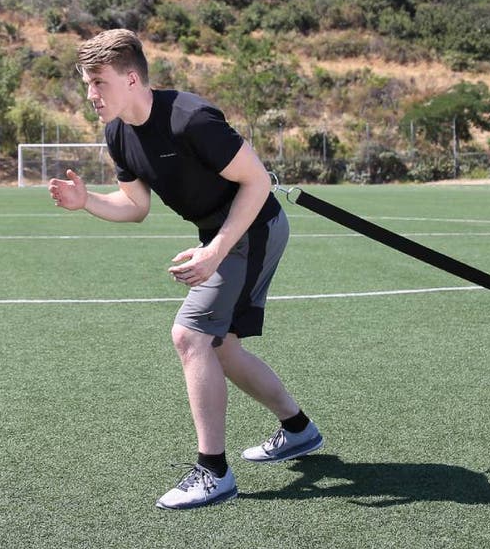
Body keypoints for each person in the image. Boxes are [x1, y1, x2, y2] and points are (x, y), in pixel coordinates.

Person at [48, 29, 323, 509]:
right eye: (87, 84)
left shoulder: (190, 118)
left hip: (253, 226)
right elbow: (135, 206)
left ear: (131, 78)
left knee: (191, 336)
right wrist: (86, 200)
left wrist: (216, 249)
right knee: (222, 349)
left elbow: (257, 181)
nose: (90, 94)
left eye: (98, 82)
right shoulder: (117, 131)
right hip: (220, 233)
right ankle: (299, 430)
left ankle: (213, 472)